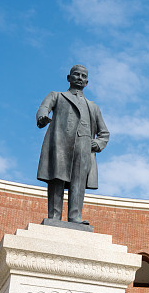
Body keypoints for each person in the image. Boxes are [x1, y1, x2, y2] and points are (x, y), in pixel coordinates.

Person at [36, 65, 109, 224]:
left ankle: (74, 217)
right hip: (60, 142)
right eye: (76, 75)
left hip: (83, 146)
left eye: (83, 76)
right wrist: (42, 117)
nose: (80, 78)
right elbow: (44, 107)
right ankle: (54, 217)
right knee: (57, 178)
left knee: (78, 181)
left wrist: (97, 143)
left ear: (87, 82)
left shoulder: (93, 107)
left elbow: (104, 133)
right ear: (69, 78)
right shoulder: (57, 96)